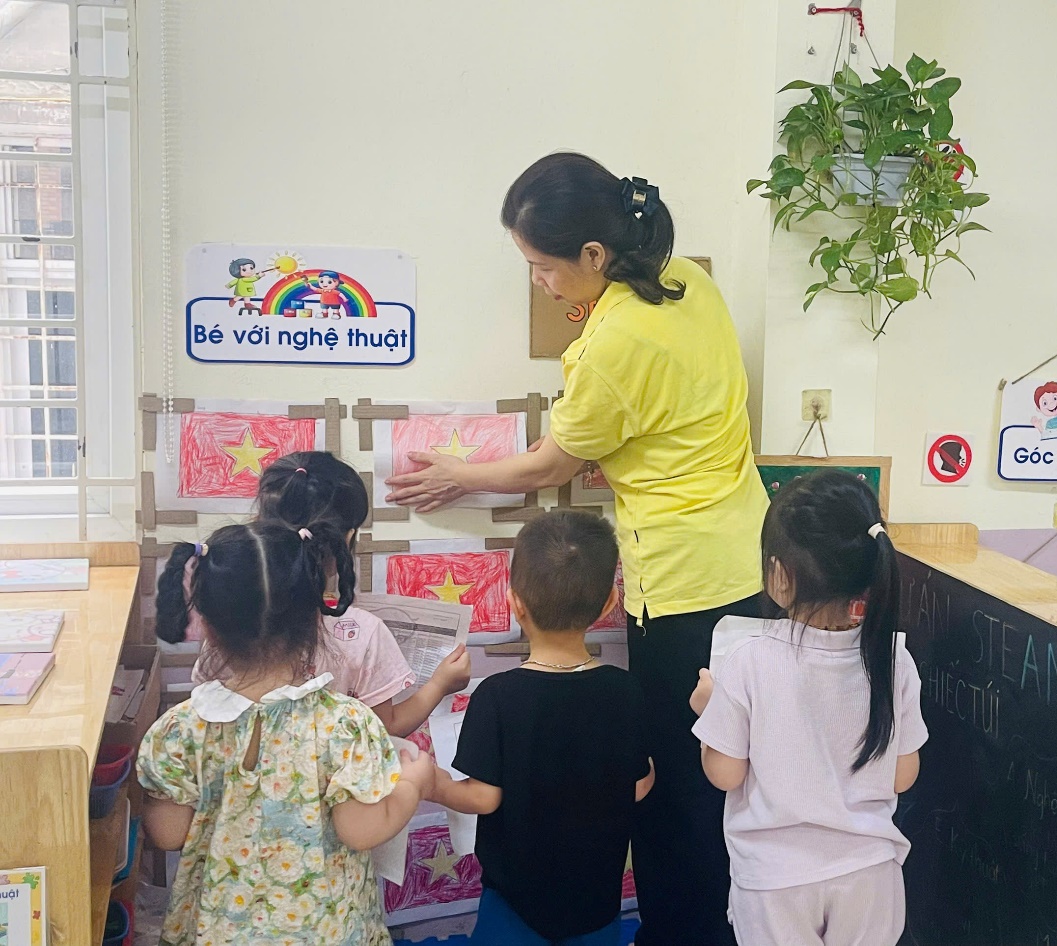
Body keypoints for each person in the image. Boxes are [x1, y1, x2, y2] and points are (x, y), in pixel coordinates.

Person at [385, 152, 766, 945]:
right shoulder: (687, 283)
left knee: (677, 800)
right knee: (726, 780)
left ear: (593, 254)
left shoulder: (610, 345)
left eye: (542, 267)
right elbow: (668, 411)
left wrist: (457, 473)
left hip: (683, 583)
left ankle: (677, 935)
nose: (538, 283)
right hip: (748, 560)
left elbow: (546, 466)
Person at [139, 521, 435, 945]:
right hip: (325, 932)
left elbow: (168, 833)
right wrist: (412, 786)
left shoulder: (177, 730)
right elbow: (360, 829)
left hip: (217, 931)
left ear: (207, 625)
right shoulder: (346, 725)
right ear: (315, 619)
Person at [690, 470, 928, 946]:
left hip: (775, 880)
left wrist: (710, 711)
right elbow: (903, 776)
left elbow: (725, 774)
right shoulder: (892, 659)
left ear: (779, 576)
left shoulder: (747, 659)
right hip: (870, 875)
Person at [431, 510, 654, 946]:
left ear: (515, 603)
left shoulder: (496, 696)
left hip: (515, 906)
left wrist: (431, 785)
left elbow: (483, 797)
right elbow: (639, 786)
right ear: (610, 603)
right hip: (596, 903)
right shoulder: (625, 690)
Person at [174, 450, 471, 739]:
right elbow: (383, 730)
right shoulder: (365, 632)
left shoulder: (228, 614)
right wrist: (439, 685)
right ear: (346, 538)